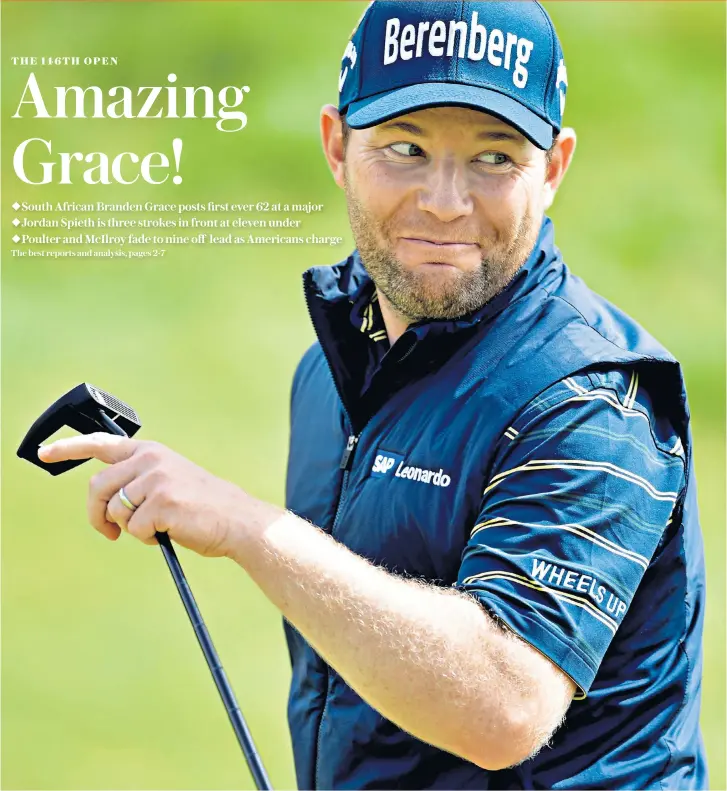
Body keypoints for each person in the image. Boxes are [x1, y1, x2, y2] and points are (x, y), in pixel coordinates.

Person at [41, 1, 707, 788]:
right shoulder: (329, 369)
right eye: (404, 147)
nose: (445, 201)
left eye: (494, 158)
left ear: (553, 167)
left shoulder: (592, 404)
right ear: (335, 145)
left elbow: (502, 706)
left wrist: (250, 528)